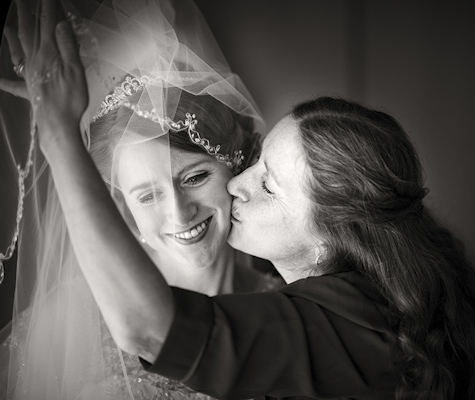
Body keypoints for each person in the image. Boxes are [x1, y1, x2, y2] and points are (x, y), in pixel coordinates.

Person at [3, 0, 475, 398]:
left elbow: (154, 331)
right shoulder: (63, 322)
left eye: (267, 183)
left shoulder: (351, 322)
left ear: (330, 238)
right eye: (258, 163)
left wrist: (58, 133)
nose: (240, 180)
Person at [0, 0, 280, 398]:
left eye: (196, 177)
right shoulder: (76, 313)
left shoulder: (287, 306)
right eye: (148, 195)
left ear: (237, 165)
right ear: (122, 203)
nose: (179, 213)